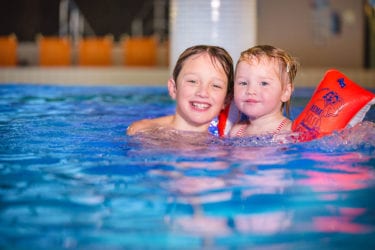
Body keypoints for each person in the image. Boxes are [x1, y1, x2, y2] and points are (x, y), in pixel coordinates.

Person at [127, 45, 234, 135]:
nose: (203, 93)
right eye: (192, 81)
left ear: (226, 99)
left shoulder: (228, 141)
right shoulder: (143, 132)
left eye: (216, 85)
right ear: (173, 88)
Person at [229, 45, 299, 137]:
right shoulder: (236, 131)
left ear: (285, 92)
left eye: (264, 83)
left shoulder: (290, 132)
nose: (250, 90)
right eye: (243, 83)